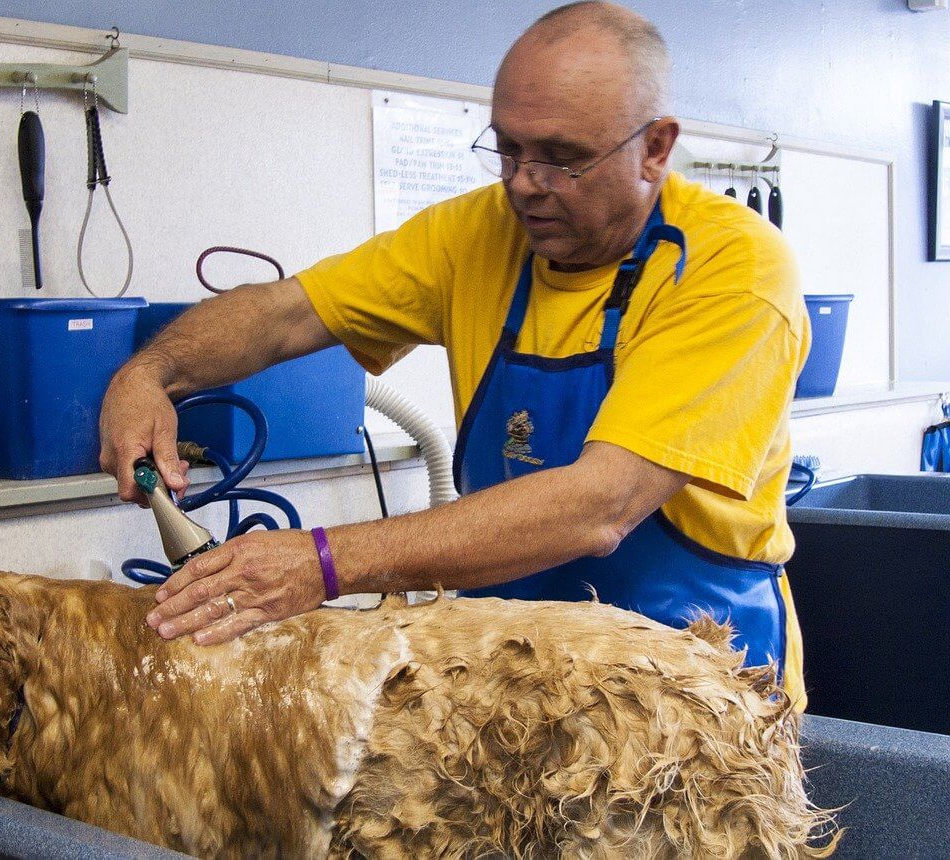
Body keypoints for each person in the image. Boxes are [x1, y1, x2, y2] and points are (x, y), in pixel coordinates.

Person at [99, 0, 810, 707]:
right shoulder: (476, 235)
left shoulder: (734, 270)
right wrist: (149, 373)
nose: (525, 182)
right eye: (508, 148)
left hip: (693, 695)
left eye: (562, 159)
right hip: (512, 685)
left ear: (655, 147)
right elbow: (286, 314)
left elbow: (602, 505)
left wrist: (321, 562)